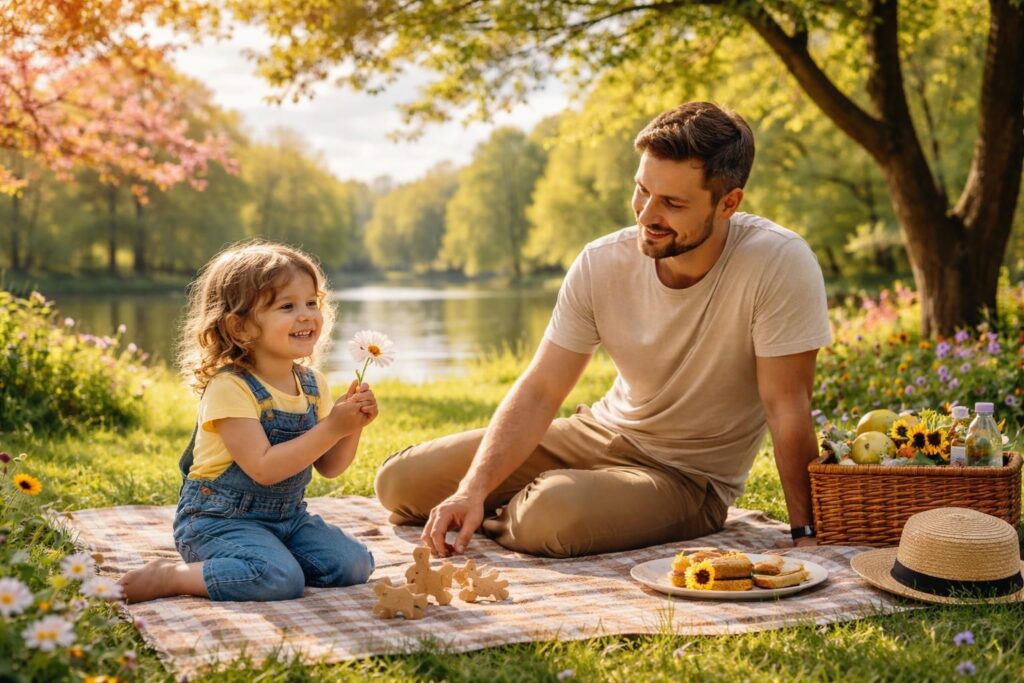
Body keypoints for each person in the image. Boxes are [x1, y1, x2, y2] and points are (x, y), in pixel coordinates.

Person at [375, 101, 832, 559]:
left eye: (672, 203)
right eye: (642, 190)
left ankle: (536, 504)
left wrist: (806, 530)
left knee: (551, 516)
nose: (647, 214)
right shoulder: (602, 261)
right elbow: (541, 388)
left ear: (728, 203)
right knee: (399, 483)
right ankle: (508, 503)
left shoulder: (778, 262)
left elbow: (786, 407)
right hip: (595, 433)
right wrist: (472, 489)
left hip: (685, 478)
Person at [119, 241, 377, 602]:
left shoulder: (312, 384)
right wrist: (332, 426)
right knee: (277, 578)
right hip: (216, 522)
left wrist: (351, 427)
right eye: (287, 306)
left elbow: (330, 466)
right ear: (240, 327)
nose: (306, 315)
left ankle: (263, 559)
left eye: (311, 302)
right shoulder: (230, 387)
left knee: (354, 564)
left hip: (287, 519)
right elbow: (264, 469)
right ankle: (173, 576)